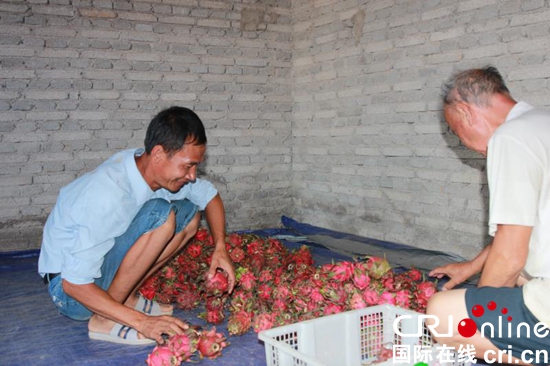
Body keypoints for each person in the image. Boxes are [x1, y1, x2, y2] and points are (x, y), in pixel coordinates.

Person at [38, 106, 235, 345]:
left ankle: (125, 297)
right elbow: (73, 284)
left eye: (195, 167)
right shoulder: (108, 194)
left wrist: (220, 248)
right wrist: (141, 322)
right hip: (71, 294)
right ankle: (103, 320)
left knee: (190, 216)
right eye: (188, 166)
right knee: (161, 217)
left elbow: (210, 198)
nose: (192, 176)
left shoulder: (151, 167)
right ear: (159, 154)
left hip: (92, 278)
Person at [427, 67, 550, 365]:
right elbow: (521, 226)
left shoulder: (509, 139)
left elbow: (509, 256)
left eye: (457, 134)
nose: (464, 144)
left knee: (442, 313)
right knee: (523, 276)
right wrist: (471, 266)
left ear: (466, 113)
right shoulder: (540, 123)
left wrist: (482, 310)